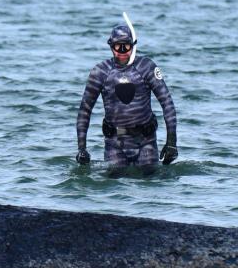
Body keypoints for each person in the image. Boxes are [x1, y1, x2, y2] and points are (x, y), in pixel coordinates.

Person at [76, 15, 177, 173]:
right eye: (118, 46)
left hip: (146, 141)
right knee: (114, 187)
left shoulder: (147, 67)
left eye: (126, 46)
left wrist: (171, 142)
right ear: (111, 46)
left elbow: (167, 103)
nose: (122, 51)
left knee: (150, 183)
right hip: (115, 142)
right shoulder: (100, 72)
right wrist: (81, 148)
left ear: (133, 45)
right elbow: (85, 110)